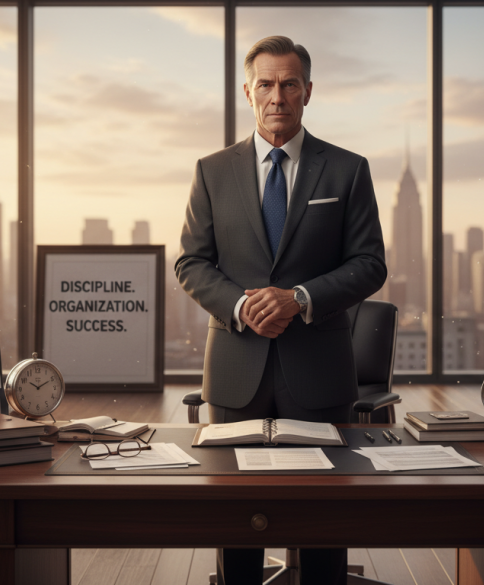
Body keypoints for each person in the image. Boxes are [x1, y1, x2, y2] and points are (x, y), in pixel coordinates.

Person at [175, 36, 387, 585]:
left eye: (289, 84)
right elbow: (191, 263)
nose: (277, 96)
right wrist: (241, 305)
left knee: (322, 531)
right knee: (235, 530)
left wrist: (300, 298)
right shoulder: (211, 171)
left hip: (319, 372)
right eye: (266, 84)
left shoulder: (347, 170)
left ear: (308, 91)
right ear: (248, 92)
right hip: (234, 370)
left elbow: (369, 264)